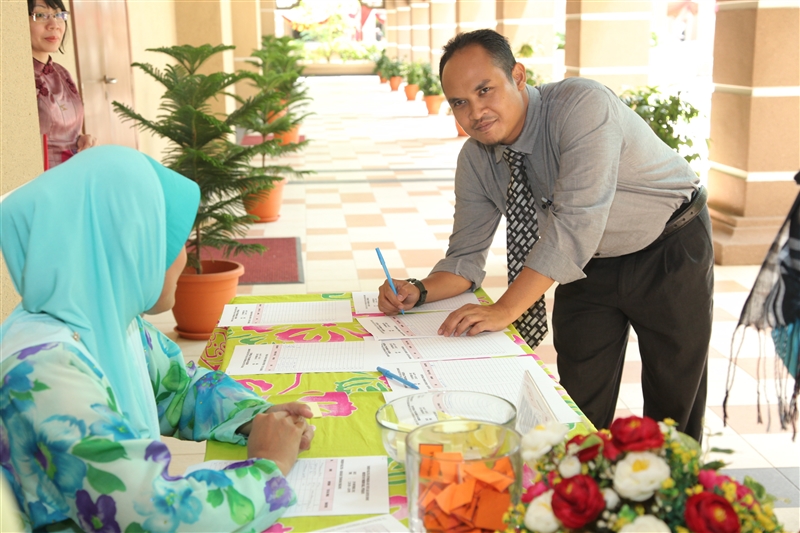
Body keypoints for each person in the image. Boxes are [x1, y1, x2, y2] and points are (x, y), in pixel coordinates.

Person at [378, 29, 714, 442]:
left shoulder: (582, 106)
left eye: (485, 90)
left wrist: (505, 309)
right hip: (585, 266)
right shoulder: (476, 160)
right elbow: (464, 259)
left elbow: (575, 223)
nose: (476, 112)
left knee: (672, 405)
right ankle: (584, 498)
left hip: (669, 248)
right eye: (460, 102)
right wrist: (417, 290)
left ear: (518, 76)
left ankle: (669, 502)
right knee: (577, 402)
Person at [0, 145, 314, 532]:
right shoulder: (42, 372)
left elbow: (178, 391)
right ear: (129, 248)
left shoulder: (108, 321)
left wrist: (258, 416)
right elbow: (156, 518)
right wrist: (270, 466)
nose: (184, 259)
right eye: (172, 243)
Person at [29, 0, 96, 169]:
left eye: (59, 15)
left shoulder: (62, 73)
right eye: (41, 15)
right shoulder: (17, 77)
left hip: (71, 173)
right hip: (39, 180)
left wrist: (80, 139)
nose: (54, 25)